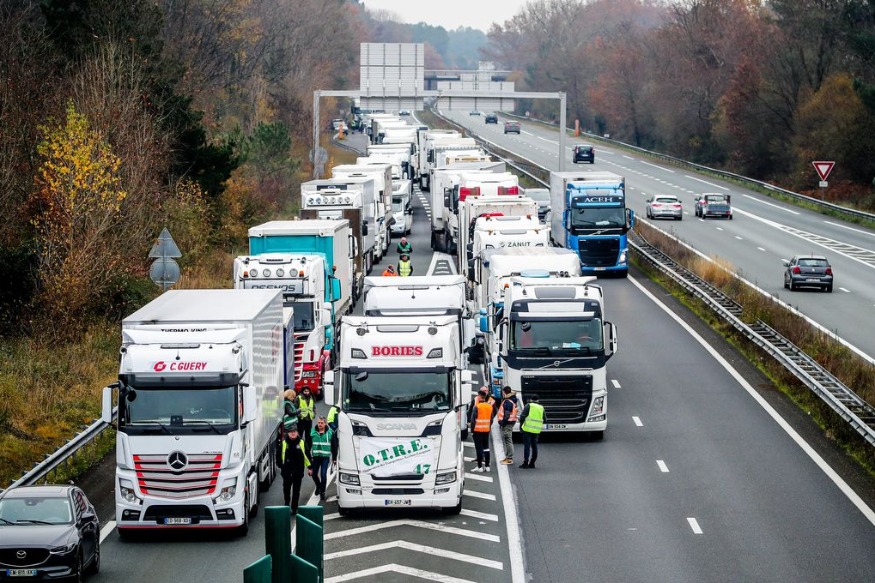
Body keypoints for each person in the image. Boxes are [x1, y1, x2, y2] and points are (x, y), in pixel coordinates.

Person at [276, 418, 310, 515]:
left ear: (297, 433)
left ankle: (294, 508)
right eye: (291, 432)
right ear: (288, 433)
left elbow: (306, 455)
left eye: (294, 432)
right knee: (286, 489)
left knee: (296, 491)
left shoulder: (302, 443)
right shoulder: (283, 443)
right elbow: (278, 456)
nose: (293, 433)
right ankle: (287, 503)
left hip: (298, 472)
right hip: (286, 472)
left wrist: (310, 467)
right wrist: (281, 466)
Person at [469, 388, 496, 472]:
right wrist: (488, 426)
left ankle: (480, 467)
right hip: (486, 430)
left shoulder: (477, 407)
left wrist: (472, 430)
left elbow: (473, 420)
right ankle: (487, 466)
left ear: (480, 397)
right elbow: (491, 419)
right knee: (486, 448)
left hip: (477, 430)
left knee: (479, 448)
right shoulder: (489, 406)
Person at [309, 416, 333, 501]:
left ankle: (322, 492)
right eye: (318, 422)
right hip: (315, 457)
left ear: (325, 423)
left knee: (323, 475)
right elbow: (308, 445)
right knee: (314, 474)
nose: (320, 424)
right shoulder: (313, 432)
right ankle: (318, 486)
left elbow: (334, 446)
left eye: (321, 423)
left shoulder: (330, 433)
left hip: (325, 458)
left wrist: (334, 458)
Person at [519, 394, 545, 469]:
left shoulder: (528, 405)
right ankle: (532, 463)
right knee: (534, 446)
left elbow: (522, 416)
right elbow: (545, 419)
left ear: (531, 399)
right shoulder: (541, 407)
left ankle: (525, 463)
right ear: (538, 400)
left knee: (527, 446)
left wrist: (521, 426)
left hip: (527, 429)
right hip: (536, 430)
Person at [497, 386, 519, 465]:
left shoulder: (508, 401)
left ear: (504, 392)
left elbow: (507, 414)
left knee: (508, 439)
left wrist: (502, 423)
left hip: (508, 422)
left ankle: (509, 458)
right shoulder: (512, 400)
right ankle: (508, 457)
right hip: (510, 422)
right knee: (508, 439)